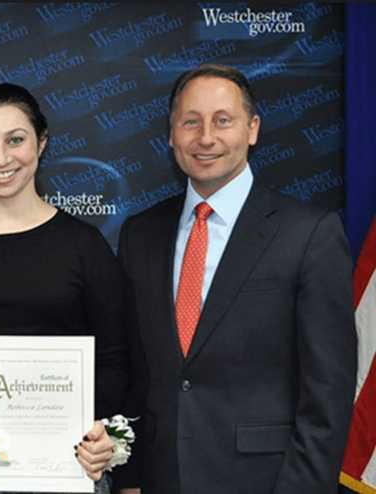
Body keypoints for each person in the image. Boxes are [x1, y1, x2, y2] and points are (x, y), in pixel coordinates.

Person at [115, 63, 356, 494]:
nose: (205, 137)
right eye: (191, 122)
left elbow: (327, 394)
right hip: (161, 479)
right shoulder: (140, 234)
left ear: (253, 129)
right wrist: (130, 477)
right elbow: (138, 372)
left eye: (223, 120)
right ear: (171, 134)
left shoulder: (309, 234)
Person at [0, 83, 128, 493]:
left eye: (15, 140)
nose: (0, 159)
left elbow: (116, 358)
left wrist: (103, 432)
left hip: (70, 460)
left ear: (42, 142)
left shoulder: (84, 246)